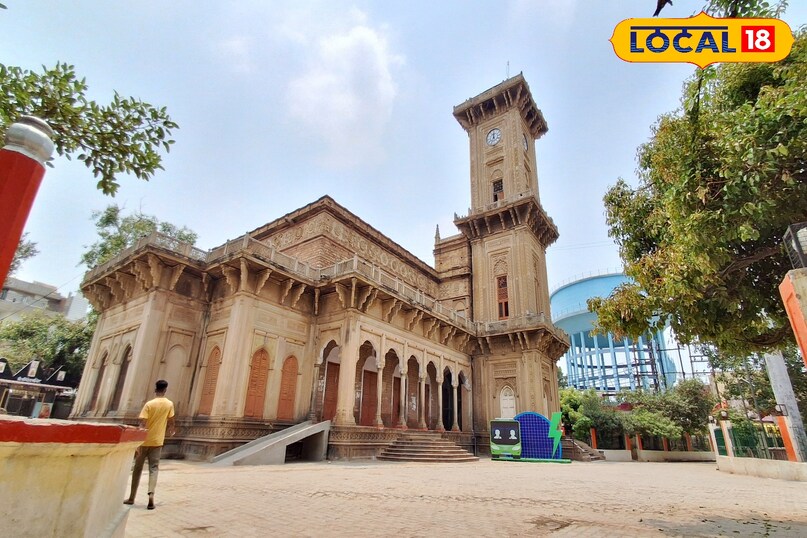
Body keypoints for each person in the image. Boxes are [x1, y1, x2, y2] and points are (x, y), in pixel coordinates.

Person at [124, 379, 175, 510]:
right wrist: (171, 430)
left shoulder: (149, 404)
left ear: (155, 389)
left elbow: (142, 423)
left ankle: (131, 497)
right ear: (165, 390)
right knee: (154, 468)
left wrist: (137, 441)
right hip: (157, 441)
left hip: (144, 441)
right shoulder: (169, 404)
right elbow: (171, 421)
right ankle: (151, 493)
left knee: (137, 469)